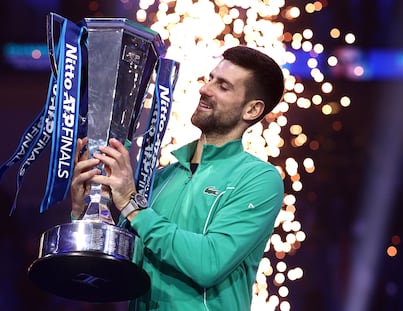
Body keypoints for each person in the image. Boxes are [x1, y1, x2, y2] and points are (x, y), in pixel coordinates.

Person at [70, 45, 285, 311]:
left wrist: (132, 205)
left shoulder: (259, 180)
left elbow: (209, 263)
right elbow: (118, 267)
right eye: (210, 79)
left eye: (223, 86)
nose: (205, 89)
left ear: (252, 110)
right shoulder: (161, 177)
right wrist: (86, 212)